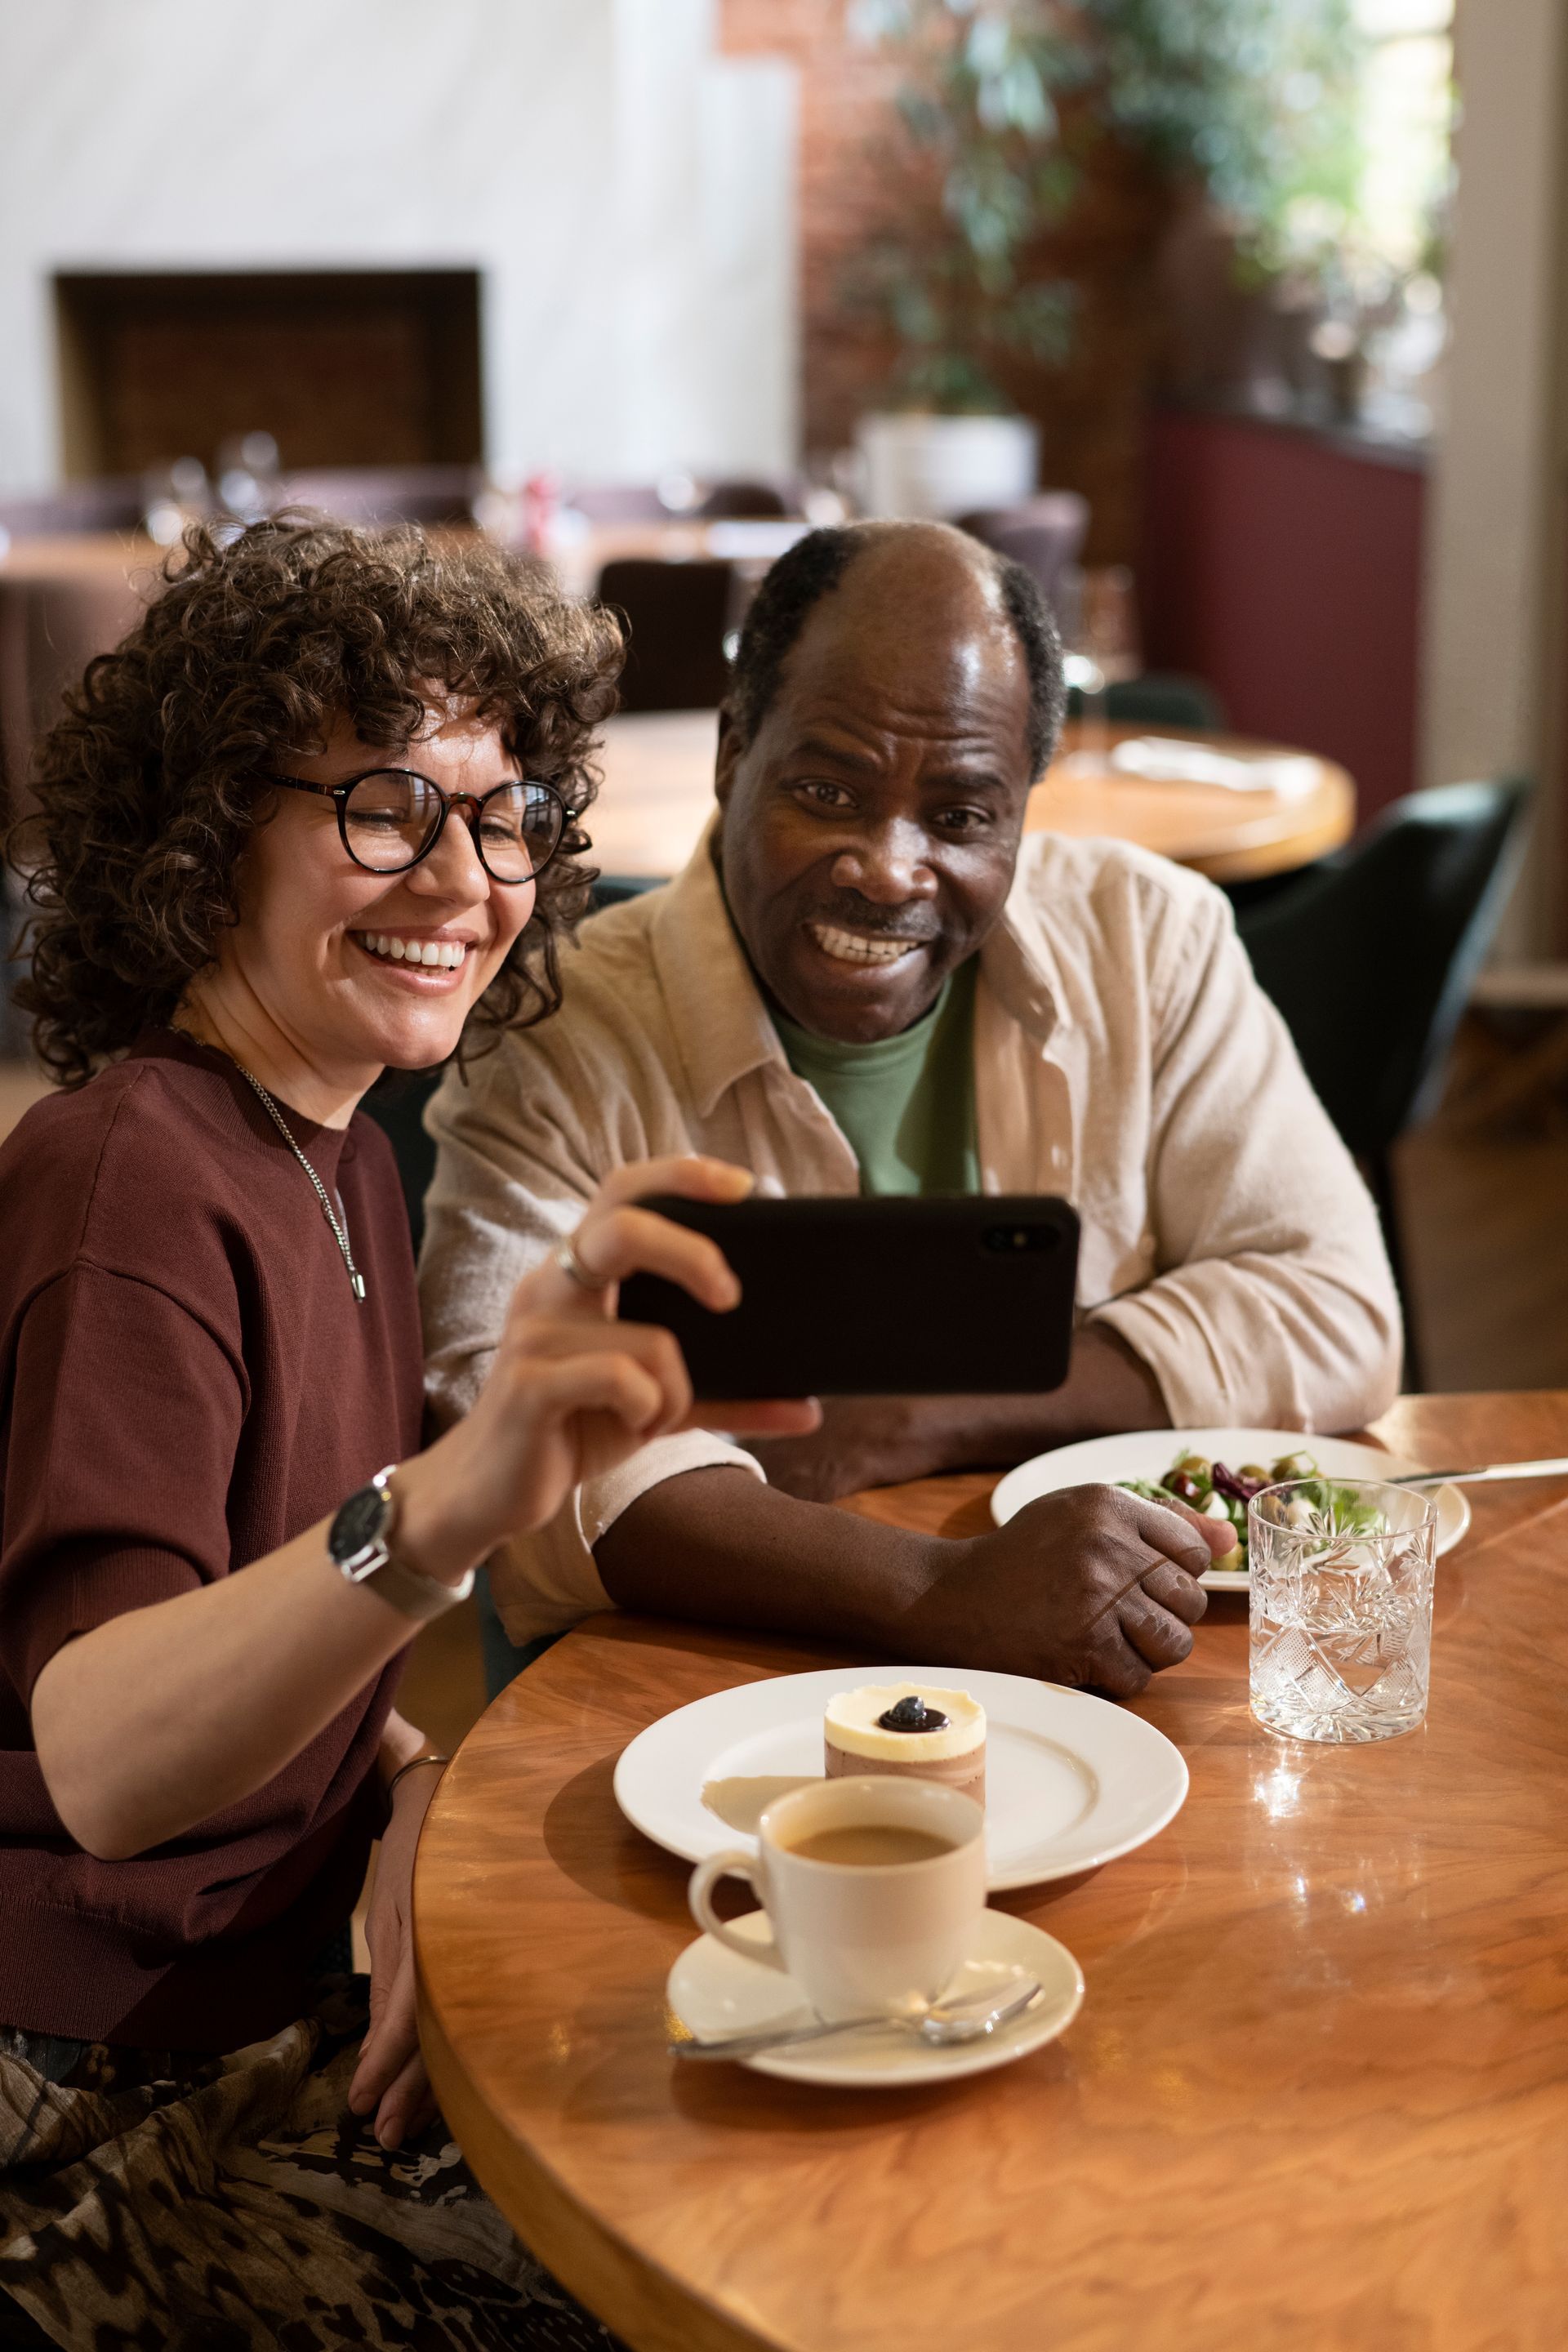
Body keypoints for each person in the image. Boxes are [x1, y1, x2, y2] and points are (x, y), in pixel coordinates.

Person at [0, 519, 812, 2352]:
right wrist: (436, 1512)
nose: (461, 874)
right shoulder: (131, 1178)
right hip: (92, 2104)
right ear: (206, 832)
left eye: (501, 811)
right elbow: (109, 1755)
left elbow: (268, 1602)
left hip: (260, 2015)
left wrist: (407, 1774)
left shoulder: (341, 1146)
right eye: (384, 805)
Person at [421, 519, 1401, 1693]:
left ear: (1027, 809)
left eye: (963, 816)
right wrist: (928, 1591)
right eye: (829, 788)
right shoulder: (559, 1019)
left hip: (1094, 1670)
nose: (890, 867)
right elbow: (494, 1420)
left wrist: (921, 1414)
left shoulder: (1152, 942)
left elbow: (1335, 1304)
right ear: (736, 753)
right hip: (701, 1685)